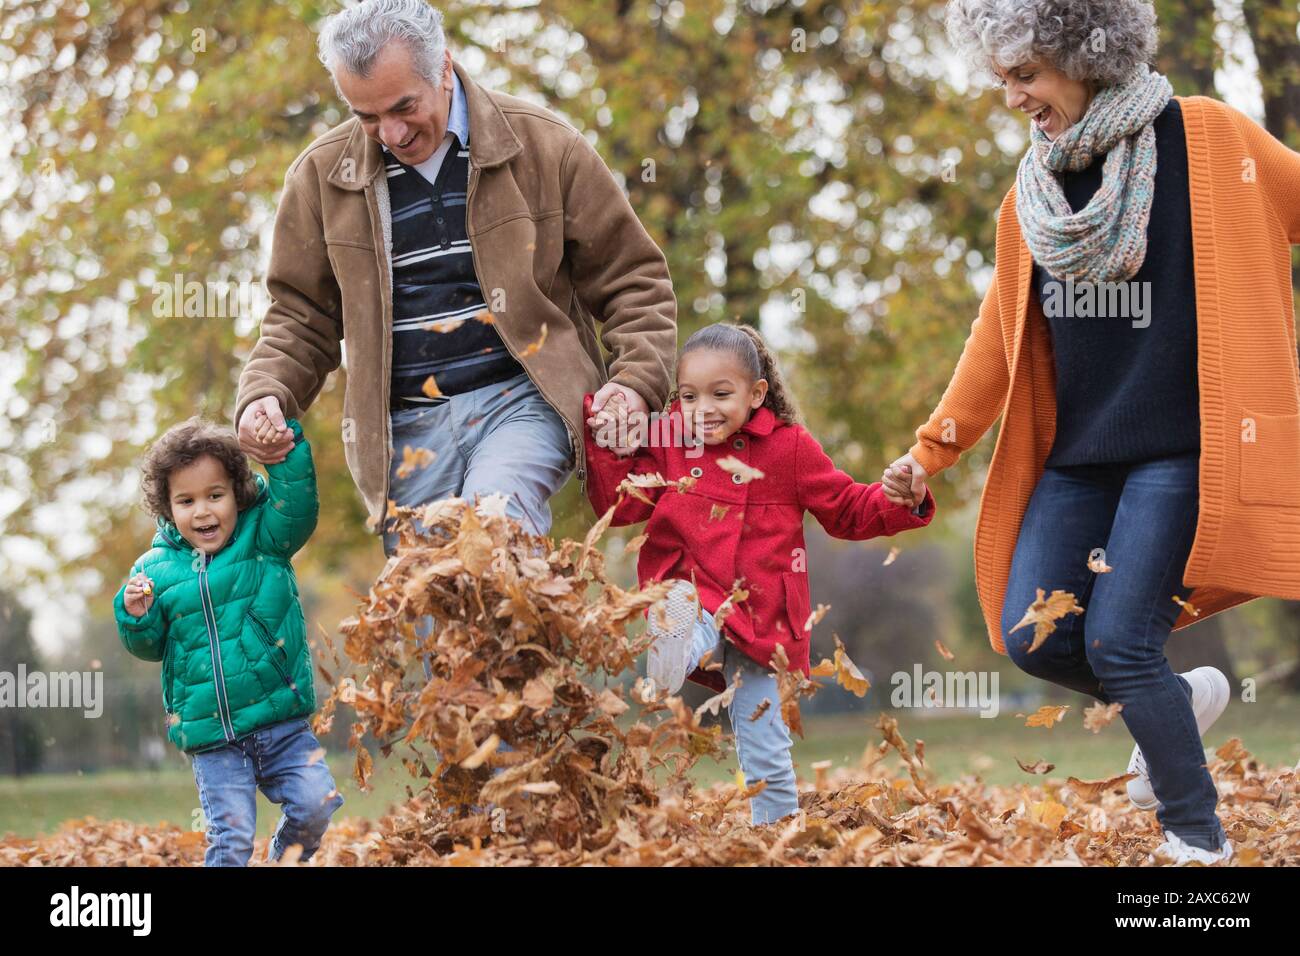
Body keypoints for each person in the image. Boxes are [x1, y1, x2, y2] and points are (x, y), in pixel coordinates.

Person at [883, 0, 1300, 865]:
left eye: (1026, 75)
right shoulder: (1030, 200)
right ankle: (1176, 704)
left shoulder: (1213, 141)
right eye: (1001, 79)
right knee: (1036, 636)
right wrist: (930, 450)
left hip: (1183, 452)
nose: (1012, 98)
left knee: (1119, 640)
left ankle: (1197, 841)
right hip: (1080, 461)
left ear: (1086, 51)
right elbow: (994, 343)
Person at [232, 0, 676, 558]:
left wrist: (635, 381)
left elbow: (632, 276)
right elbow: (300, 316)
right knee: (431, 613)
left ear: (443, 68)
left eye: (403, 106)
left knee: (495, 535)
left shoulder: (544, 145)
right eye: (366, 117)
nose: (390, 133)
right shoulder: (321, 178)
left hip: (521, 401)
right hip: (404, 432)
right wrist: (264, 394)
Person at [584, 323, 935, 824]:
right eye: (688, 396)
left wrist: (901, 499)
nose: (702, 409)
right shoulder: (670, 437)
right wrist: (607, 443)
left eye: (720, 394)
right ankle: (672, 644)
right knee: (688, 613)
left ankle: (777, 832)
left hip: (763, 616)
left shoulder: (790, 448)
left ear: (756, 393)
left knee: (764, 734)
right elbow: (621, 504)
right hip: (690, 589)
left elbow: (846, 509)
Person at [114, 413, 344, 866]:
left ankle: (284, 860)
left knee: (316, 803)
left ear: (236, 494)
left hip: (281, 720)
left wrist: (285, 450)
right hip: (212, 736)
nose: (202, 511)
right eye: (186, 500)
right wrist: (136, 616)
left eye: (215, 495)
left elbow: (297, 504)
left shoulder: (263, 537)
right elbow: (149, 646)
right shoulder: (153, 570)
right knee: (232, 839)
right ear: (167, 507)